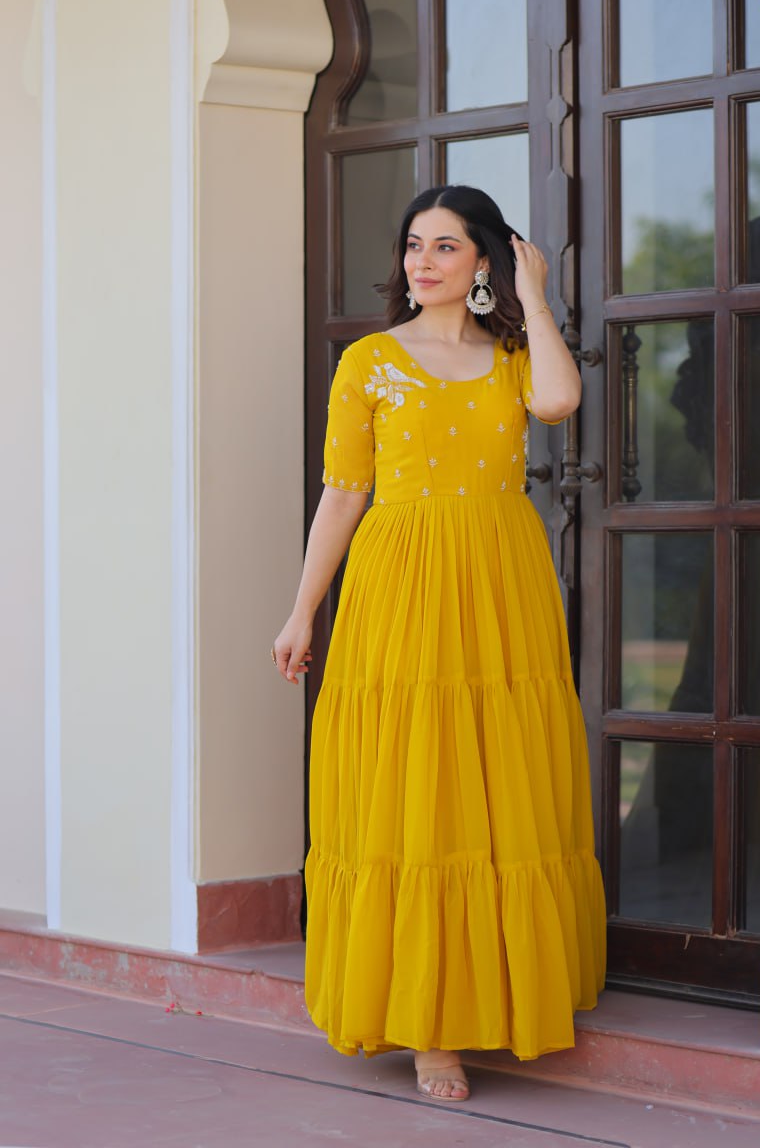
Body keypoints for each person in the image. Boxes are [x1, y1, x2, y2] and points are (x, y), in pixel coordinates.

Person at [272, 185, 606, 1102]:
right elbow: (342, 493)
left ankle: (501, 987)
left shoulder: (509, 356)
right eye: (413, 245)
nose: (422, 262)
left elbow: (560, 399)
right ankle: (426, 1028)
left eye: (447, 247)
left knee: (497, 778)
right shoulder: (369, 363)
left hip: (500, 579)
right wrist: (303, 610)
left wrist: (536, 299)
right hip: (400, 581)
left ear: (484, 263)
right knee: (416, 784)